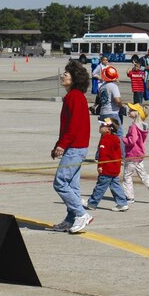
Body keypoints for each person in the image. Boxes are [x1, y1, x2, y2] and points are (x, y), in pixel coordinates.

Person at [51, 60, 92, 234]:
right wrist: (58, 146)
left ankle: (82, 214)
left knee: (60, 182)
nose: (62, 76)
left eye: (66, 75)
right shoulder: (73, 96)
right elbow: (67, 126)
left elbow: (73, 126)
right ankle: (71, 219)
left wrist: (62, 145)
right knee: (73, 187)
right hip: (75, 146)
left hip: (75, 147)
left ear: (74, 79)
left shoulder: (75, 96)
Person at [121, 103, 149, 205]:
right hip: (139, 153)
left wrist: (123, 139)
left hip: (132, 154)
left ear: (137, 113)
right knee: (143, 174)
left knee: (127, 176)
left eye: (131, 110)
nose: (129, 111)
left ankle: (129, 196)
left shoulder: (134, 127)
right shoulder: (143, 126)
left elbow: (132, 140)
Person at [82, 118, 128, 212]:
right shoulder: (115, 139)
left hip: (107, 169)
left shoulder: (106, 139)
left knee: (100, 187)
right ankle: (122, 203)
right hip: (114, 168)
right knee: (115, 186)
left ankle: (92, 203)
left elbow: (103, 155)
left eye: (103, 125)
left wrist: (100, 167)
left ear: (109, 129)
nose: (100, 126)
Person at [96, 65, 124, 154]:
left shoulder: (102, 87)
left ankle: (99, 155)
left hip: (103, 113)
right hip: (112, 114)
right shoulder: (113, 86)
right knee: (119, 133)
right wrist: (121, 106)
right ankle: (122, 155)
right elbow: (117, 100)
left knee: (105, 133)